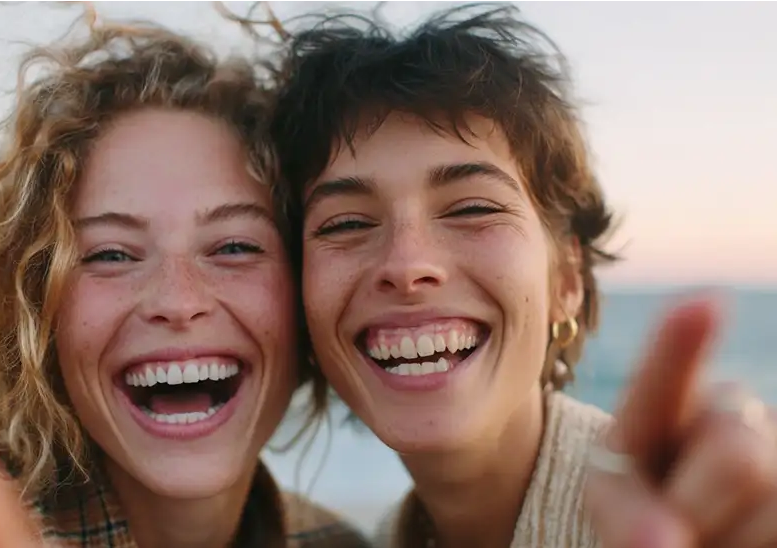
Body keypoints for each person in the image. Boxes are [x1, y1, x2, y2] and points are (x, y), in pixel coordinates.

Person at [0, 8, 368, 548]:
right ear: (39, 308)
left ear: (304, 296)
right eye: (111, 255)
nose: (177, 302)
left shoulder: (333, 540)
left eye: (234, 246)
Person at [261, 4, 777, 548]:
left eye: (472, 210)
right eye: (347, 223)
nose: (407, 266)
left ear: (567, 281)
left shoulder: (674, 511)